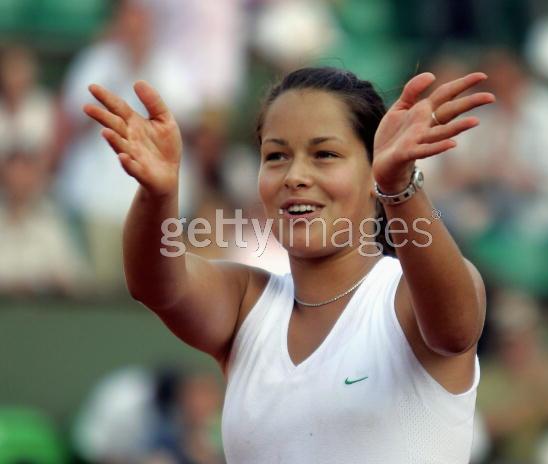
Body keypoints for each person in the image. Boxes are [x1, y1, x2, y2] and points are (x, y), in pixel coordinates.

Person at [83, 66, 493, 463]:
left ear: (373, 172)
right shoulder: (246, 302)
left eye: (325, 154)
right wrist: (157, 194)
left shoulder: (405, 297)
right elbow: (155, 284)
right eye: (276, 156)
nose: (295, 175)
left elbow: (455, 328)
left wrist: (399, 188)